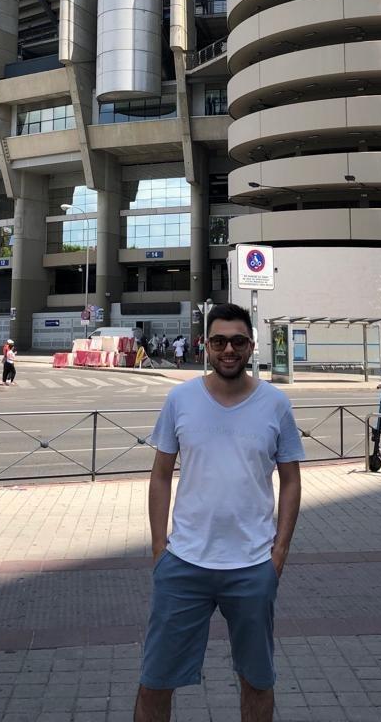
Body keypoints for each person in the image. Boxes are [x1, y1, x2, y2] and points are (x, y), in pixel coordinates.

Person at [134, 303, 304, 722]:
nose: (229, 349)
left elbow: (291, 480)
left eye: (238, 341)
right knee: (155, 681)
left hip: (252, 566)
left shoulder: (275, 404)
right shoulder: (181, 398)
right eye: (220, 341)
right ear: (206, 345)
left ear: (251, 346)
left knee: (258, 681)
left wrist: (279, 554)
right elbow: (160, 475)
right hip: (184, 563)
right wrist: (159, 549)